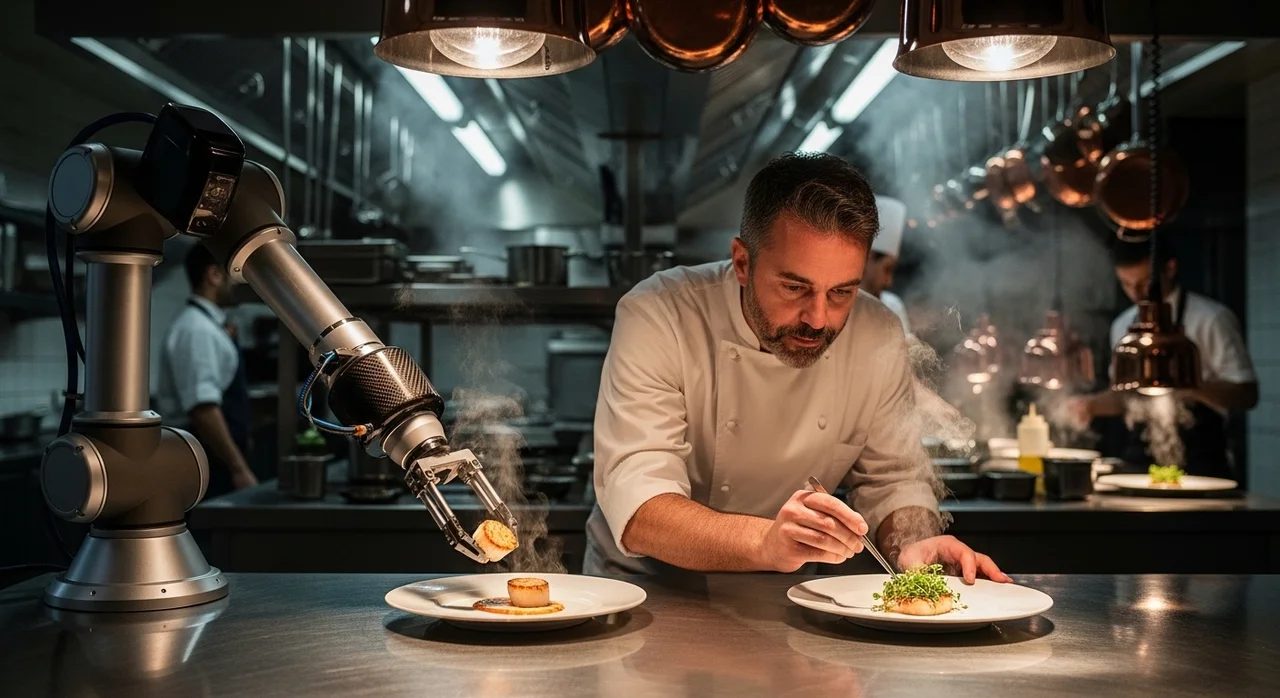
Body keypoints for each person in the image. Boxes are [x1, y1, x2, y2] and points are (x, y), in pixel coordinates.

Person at [585, 153, 1008, 583]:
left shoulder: (876, 332)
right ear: (743, 263)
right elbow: (640, 505)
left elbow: (893, 480)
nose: (818, 318)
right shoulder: (660, 314)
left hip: (786, 592)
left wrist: (913, 541)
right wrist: (765, 542)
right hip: (649, 591)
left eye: (842, 291)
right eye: (794, 287)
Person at [1068, 239, 1258, 478]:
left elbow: (1247, 394)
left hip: (1200, 457)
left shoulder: (1211, 319)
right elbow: (1123, 398)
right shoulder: (1124, 326)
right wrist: (1091, 405)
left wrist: (1188, 383)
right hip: (1138, 456)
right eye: (1126, 284)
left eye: (1145, 283)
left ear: (1169, 268)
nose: (1136, 294)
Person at [156, 243, 258, 496]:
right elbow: (203, 410)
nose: (239, 283)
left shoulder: (209, 326)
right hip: (203, 461)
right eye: (234, 275)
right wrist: (239, 469)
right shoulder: (196, 330)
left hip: (214, 457)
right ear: (214, 275)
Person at [863, 195, 911, 333]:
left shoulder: (892, 307)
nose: (889, 281)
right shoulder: (831, 306)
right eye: (887, 269)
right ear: (868, 258)